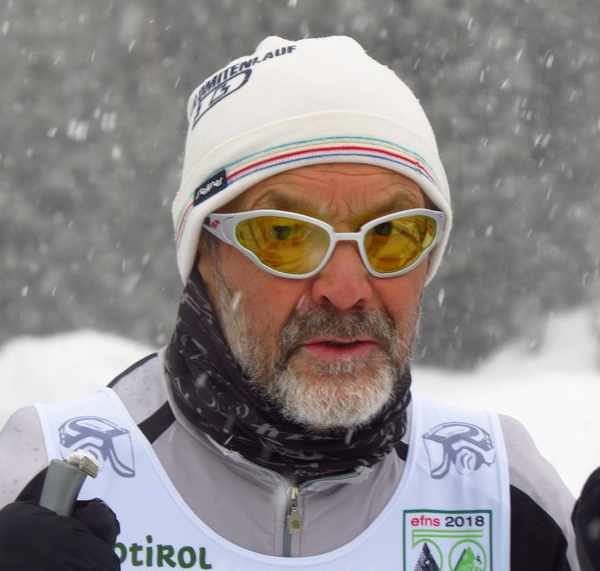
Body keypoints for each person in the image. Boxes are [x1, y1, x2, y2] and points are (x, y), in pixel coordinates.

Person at [0, 35, 579, 570]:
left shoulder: (500, 491)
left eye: (392, 233)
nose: (346, 288)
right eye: (285, 234)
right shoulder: (47, 475)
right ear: (204, 253)